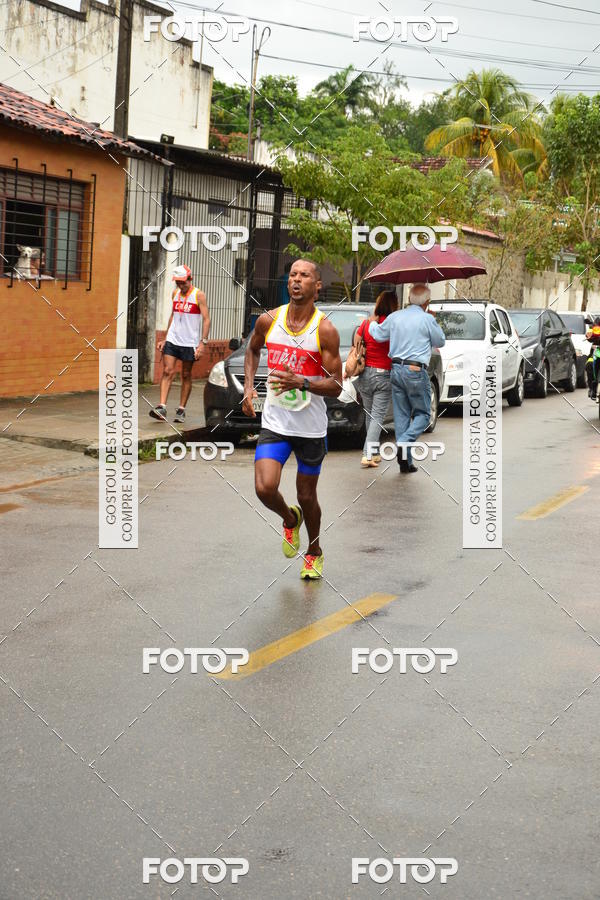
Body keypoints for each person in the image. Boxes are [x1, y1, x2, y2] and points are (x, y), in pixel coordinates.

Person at [242, 259, 343, 579]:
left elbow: (337, 385)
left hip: (310, 427)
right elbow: (252, 350)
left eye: (305, 276)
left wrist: (303, 382)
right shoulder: (269, 320)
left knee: (306, 494)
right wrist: (248, 387)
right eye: (293, 275)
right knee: (264, 488)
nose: (297, 280)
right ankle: (289, 519)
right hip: (276, 422)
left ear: (317, 286)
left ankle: (314, 551)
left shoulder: (324, 330)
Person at [368, 283, 446, 473]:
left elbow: (377, 334)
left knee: (401, 416)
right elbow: (440, 341)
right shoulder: (427, 319)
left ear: (409, 299)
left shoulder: (395, 317)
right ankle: (403, 443)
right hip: (415, 370)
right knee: (424, 414)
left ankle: (406, 461)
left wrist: (371, 322)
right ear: (427, 302)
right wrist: (432, 321)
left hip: (396, 369)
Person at [149, 265, 210, 423]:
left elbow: (206, 319)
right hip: (173, 339)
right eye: (178, 283)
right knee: (168, 370)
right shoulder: (175, 293)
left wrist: (202, 343)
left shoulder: (198, 295)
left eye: (183, 282)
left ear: (190, 279)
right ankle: (161, 407)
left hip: (189, 342)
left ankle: (181, 409)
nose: (181, 286)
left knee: (185, 374)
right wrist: (165, 337)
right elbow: (173, 316)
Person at [354, 290, 398, 468]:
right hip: (383, 375)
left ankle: (374, 452)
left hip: (364, 374)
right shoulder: (393, 326)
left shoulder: (366, 324)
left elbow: (356, 344)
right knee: (377, 416)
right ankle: (367, 454)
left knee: (370, 414)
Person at [585, 316, 600, 400]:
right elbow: (592, 333)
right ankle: (592, 388)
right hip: (598, 350)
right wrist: (589, 335)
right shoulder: (598, 321)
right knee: (590, 364)